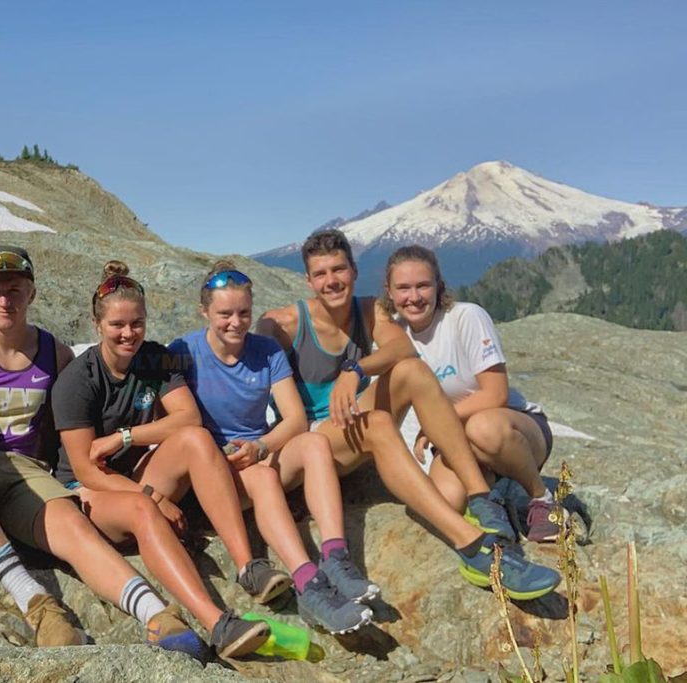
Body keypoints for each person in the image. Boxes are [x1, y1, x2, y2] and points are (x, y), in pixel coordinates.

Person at [0, 246, 222, 656]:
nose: (5, 299)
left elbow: (75, 423)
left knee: (73, 524)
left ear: (31, 293)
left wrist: (93, 484)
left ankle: (158, 616)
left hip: (29, 473)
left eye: (15, 289)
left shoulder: (54, 353)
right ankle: (37, 604)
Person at [258, 230, 560, 599]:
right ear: (307, 279)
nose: (331, 280)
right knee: (382, 423)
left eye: (338, 269)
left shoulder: (371, 310)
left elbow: (401, 348)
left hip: (349, 423)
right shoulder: (282, 324)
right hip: (312, 440)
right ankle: (473, 546)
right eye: (320, 274)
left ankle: (482, 498)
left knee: (412, 371)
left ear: (354, 271)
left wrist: (354, 372)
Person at [51, 261, 283, 658]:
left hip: (136, 473)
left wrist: (125, 436)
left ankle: (248, 566)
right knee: (143, 507)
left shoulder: (155, 359)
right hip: (90, 491)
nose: (129, 334)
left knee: (195, 439)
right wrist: (154, 498)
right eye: (117, 325)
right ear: (97, 325)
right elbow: (87, 468)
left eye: (137, 323)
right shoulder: (78, 379)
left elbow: (187, 418)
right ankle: (217, 623)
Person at [168, 261, 377, 635]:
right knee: (264, 477)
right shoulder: (184, 352)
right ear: (204, 312)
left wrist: (261, 446)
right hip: (214, 472)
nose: (236, 323)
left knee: (313, 443)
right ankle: (308, 583)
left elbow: (295, 419)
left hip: (257, 455)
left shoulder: (266, 351)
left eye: (244, 312)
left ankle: (334, 556)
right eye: (224, 314)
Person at [382, 245, 564, 542]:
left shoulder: (465, 317)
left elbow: (496, 394)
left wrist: (434, 423)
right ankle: (496, 489)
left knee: (483, 428)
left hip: (514, 428)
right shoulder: (394, 338)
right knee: (447, 500)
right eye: (403, 288)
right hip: (455, 439)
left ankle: (541, 498)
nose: (413, 297)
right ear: (389, 292)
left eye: (423, 286)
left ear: (438, 286)